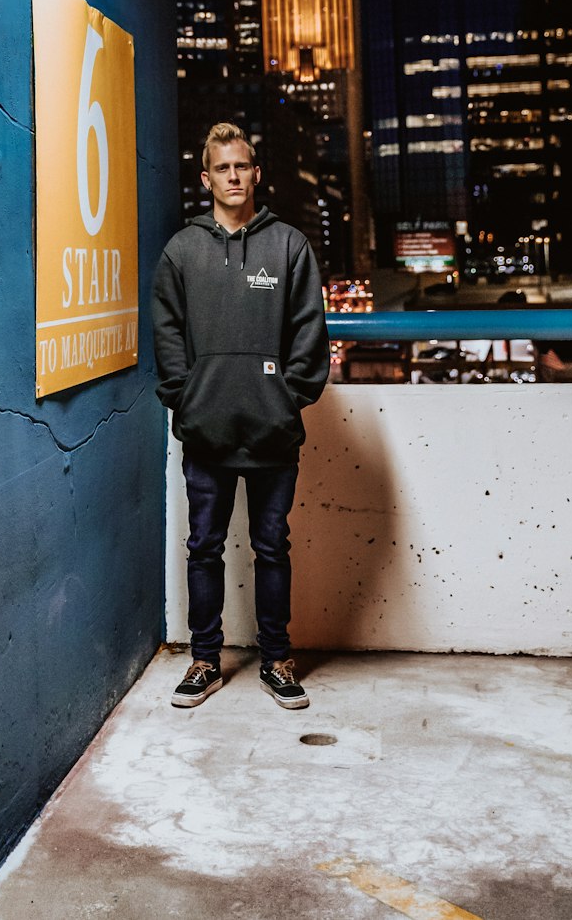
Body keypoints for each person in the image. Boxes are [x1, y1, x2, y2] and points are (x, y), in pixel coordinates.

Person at [151, 122, 329, 710]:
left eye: (242, 166)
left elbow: (309, 333)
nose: (234, 176)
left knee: (271, 546)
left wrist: (286, 399)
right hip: (207, 430)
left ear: (256, 173)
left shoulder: (289, 246)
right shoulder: (182, 250)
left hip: (273, 431)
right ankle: (205, 660)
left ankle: (277, 659)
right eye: (222, 168)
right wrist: (188, 397)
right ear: (207, 178)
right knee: (205, 545)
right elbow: (167, 333)